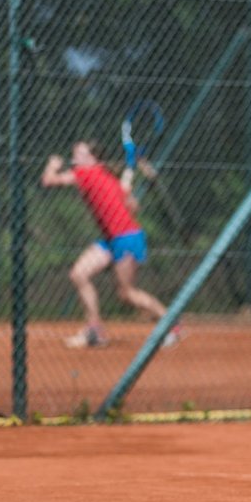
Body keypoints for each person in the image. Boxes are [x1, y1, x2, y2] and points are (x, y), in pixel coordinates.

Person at [40, 140, 180, 350]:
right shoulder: (107, 176)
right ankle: (95, 331)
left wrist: (52, 164)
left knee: (126, 293)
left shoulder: (85, 173)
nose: (75, 157)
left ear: (93, 158)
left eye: (80, 154)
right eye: (74, 153)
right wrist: (124, 192)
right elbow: (133, 206)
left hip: (126, 238)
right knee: (79, 274)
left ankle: (171, 324)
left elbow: (48, 181)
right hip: (111, 238)